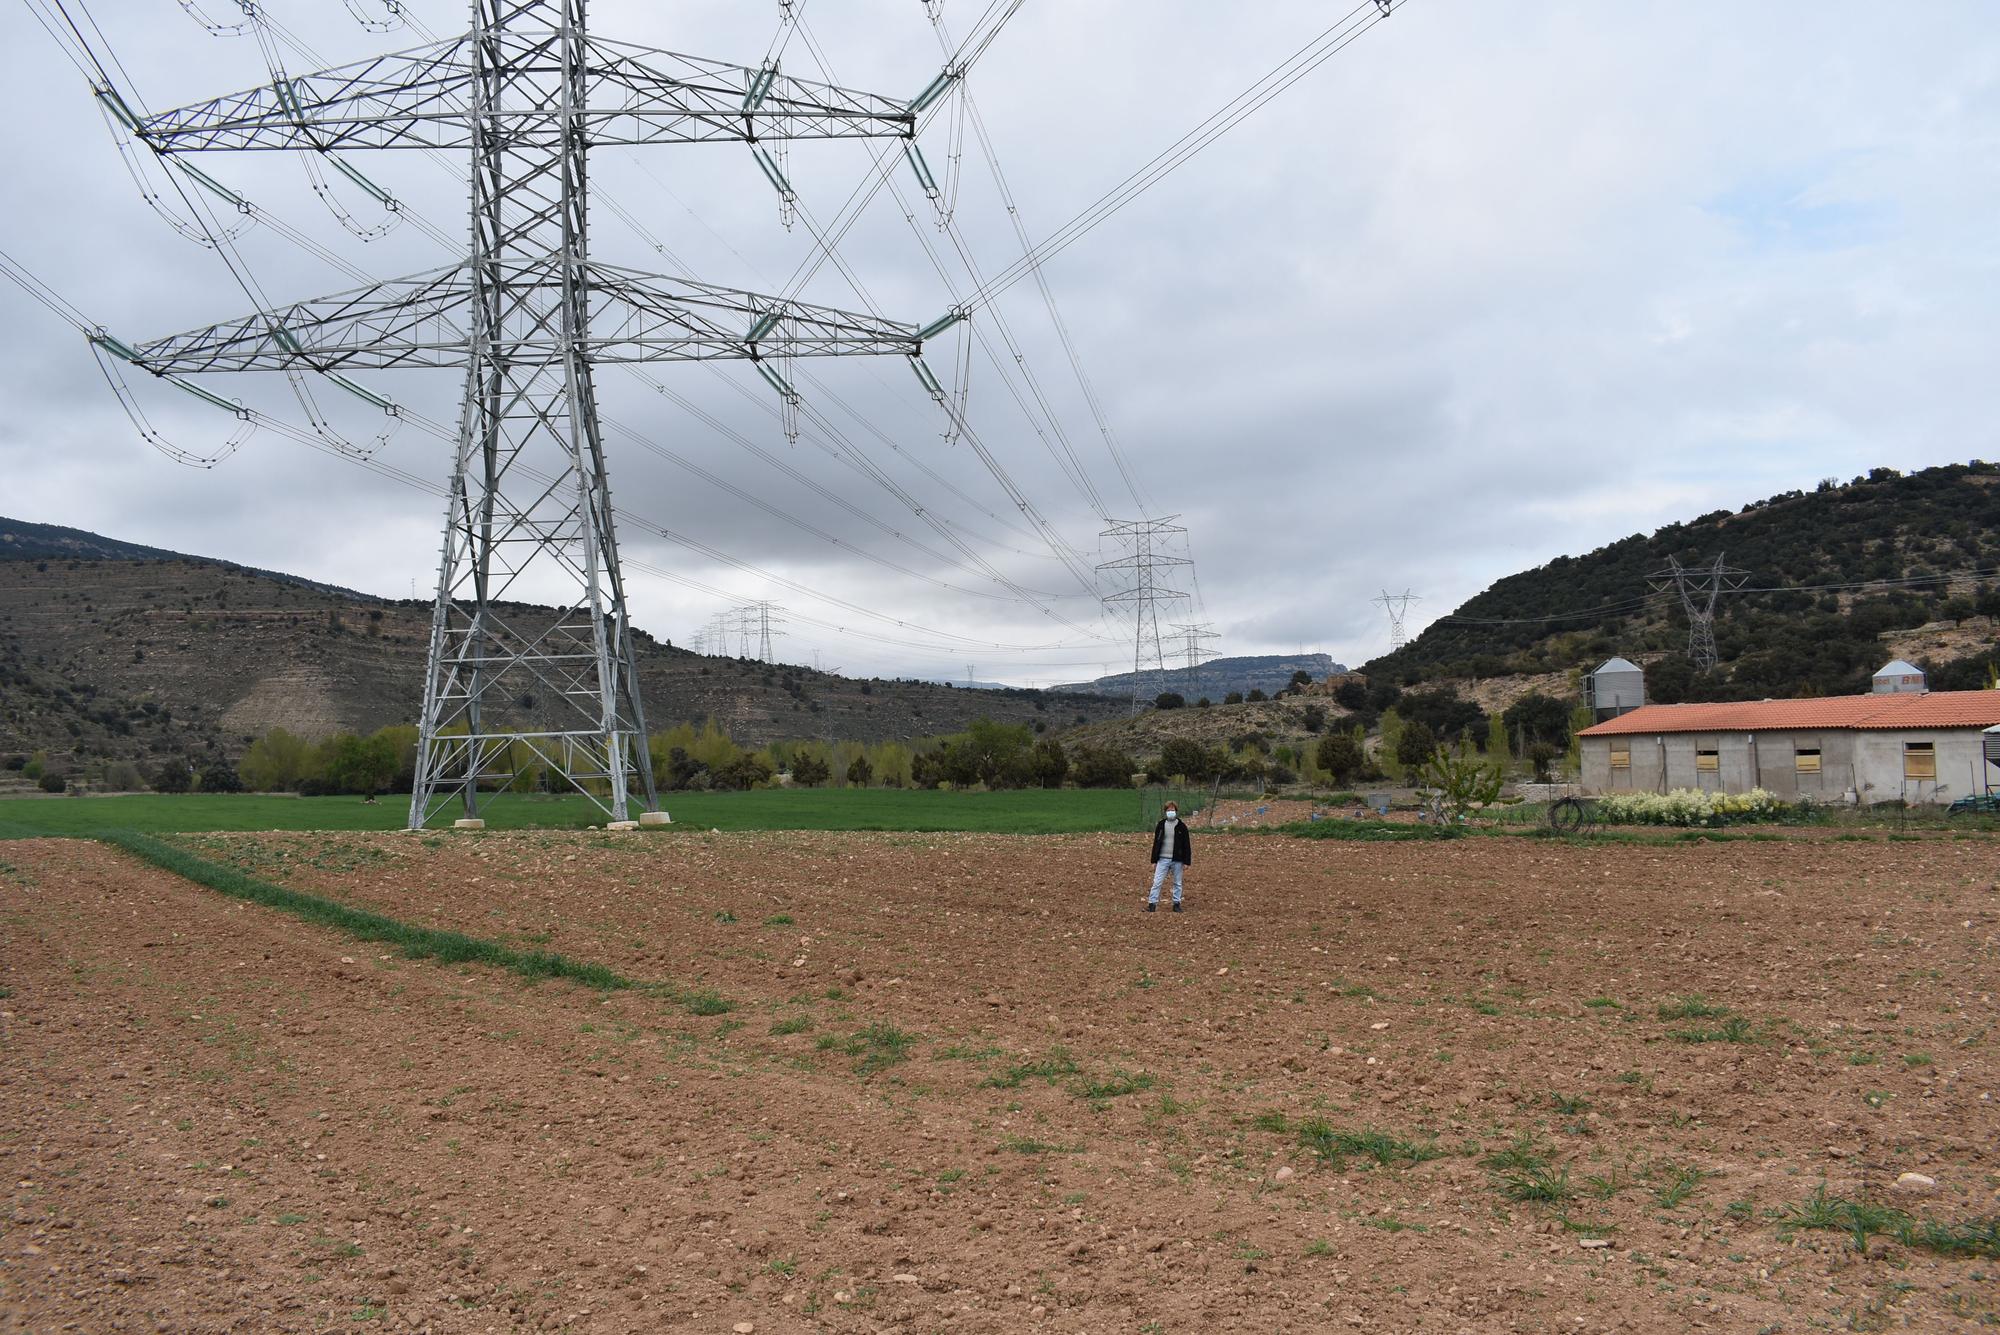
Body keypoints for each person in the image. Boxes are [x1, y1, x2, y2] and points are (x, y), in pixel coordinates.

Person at [1144, 801, 1192, 912]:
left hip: (1177, 860)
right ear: (1165, 812)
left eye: (1173, 810)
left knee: (1177, 883)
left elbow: (1186, 845)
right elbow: (1156, 843)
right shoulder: (1161, 825)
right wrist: (1154, 860)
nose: (1171, 812)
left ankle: (1176, 904)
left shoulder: (1181, 826)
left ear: (1176, 811)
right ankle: (1152, 904)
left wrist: (1187, 861)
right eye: (1168, 810)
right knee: (1157, 882)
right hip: (1162, 859)